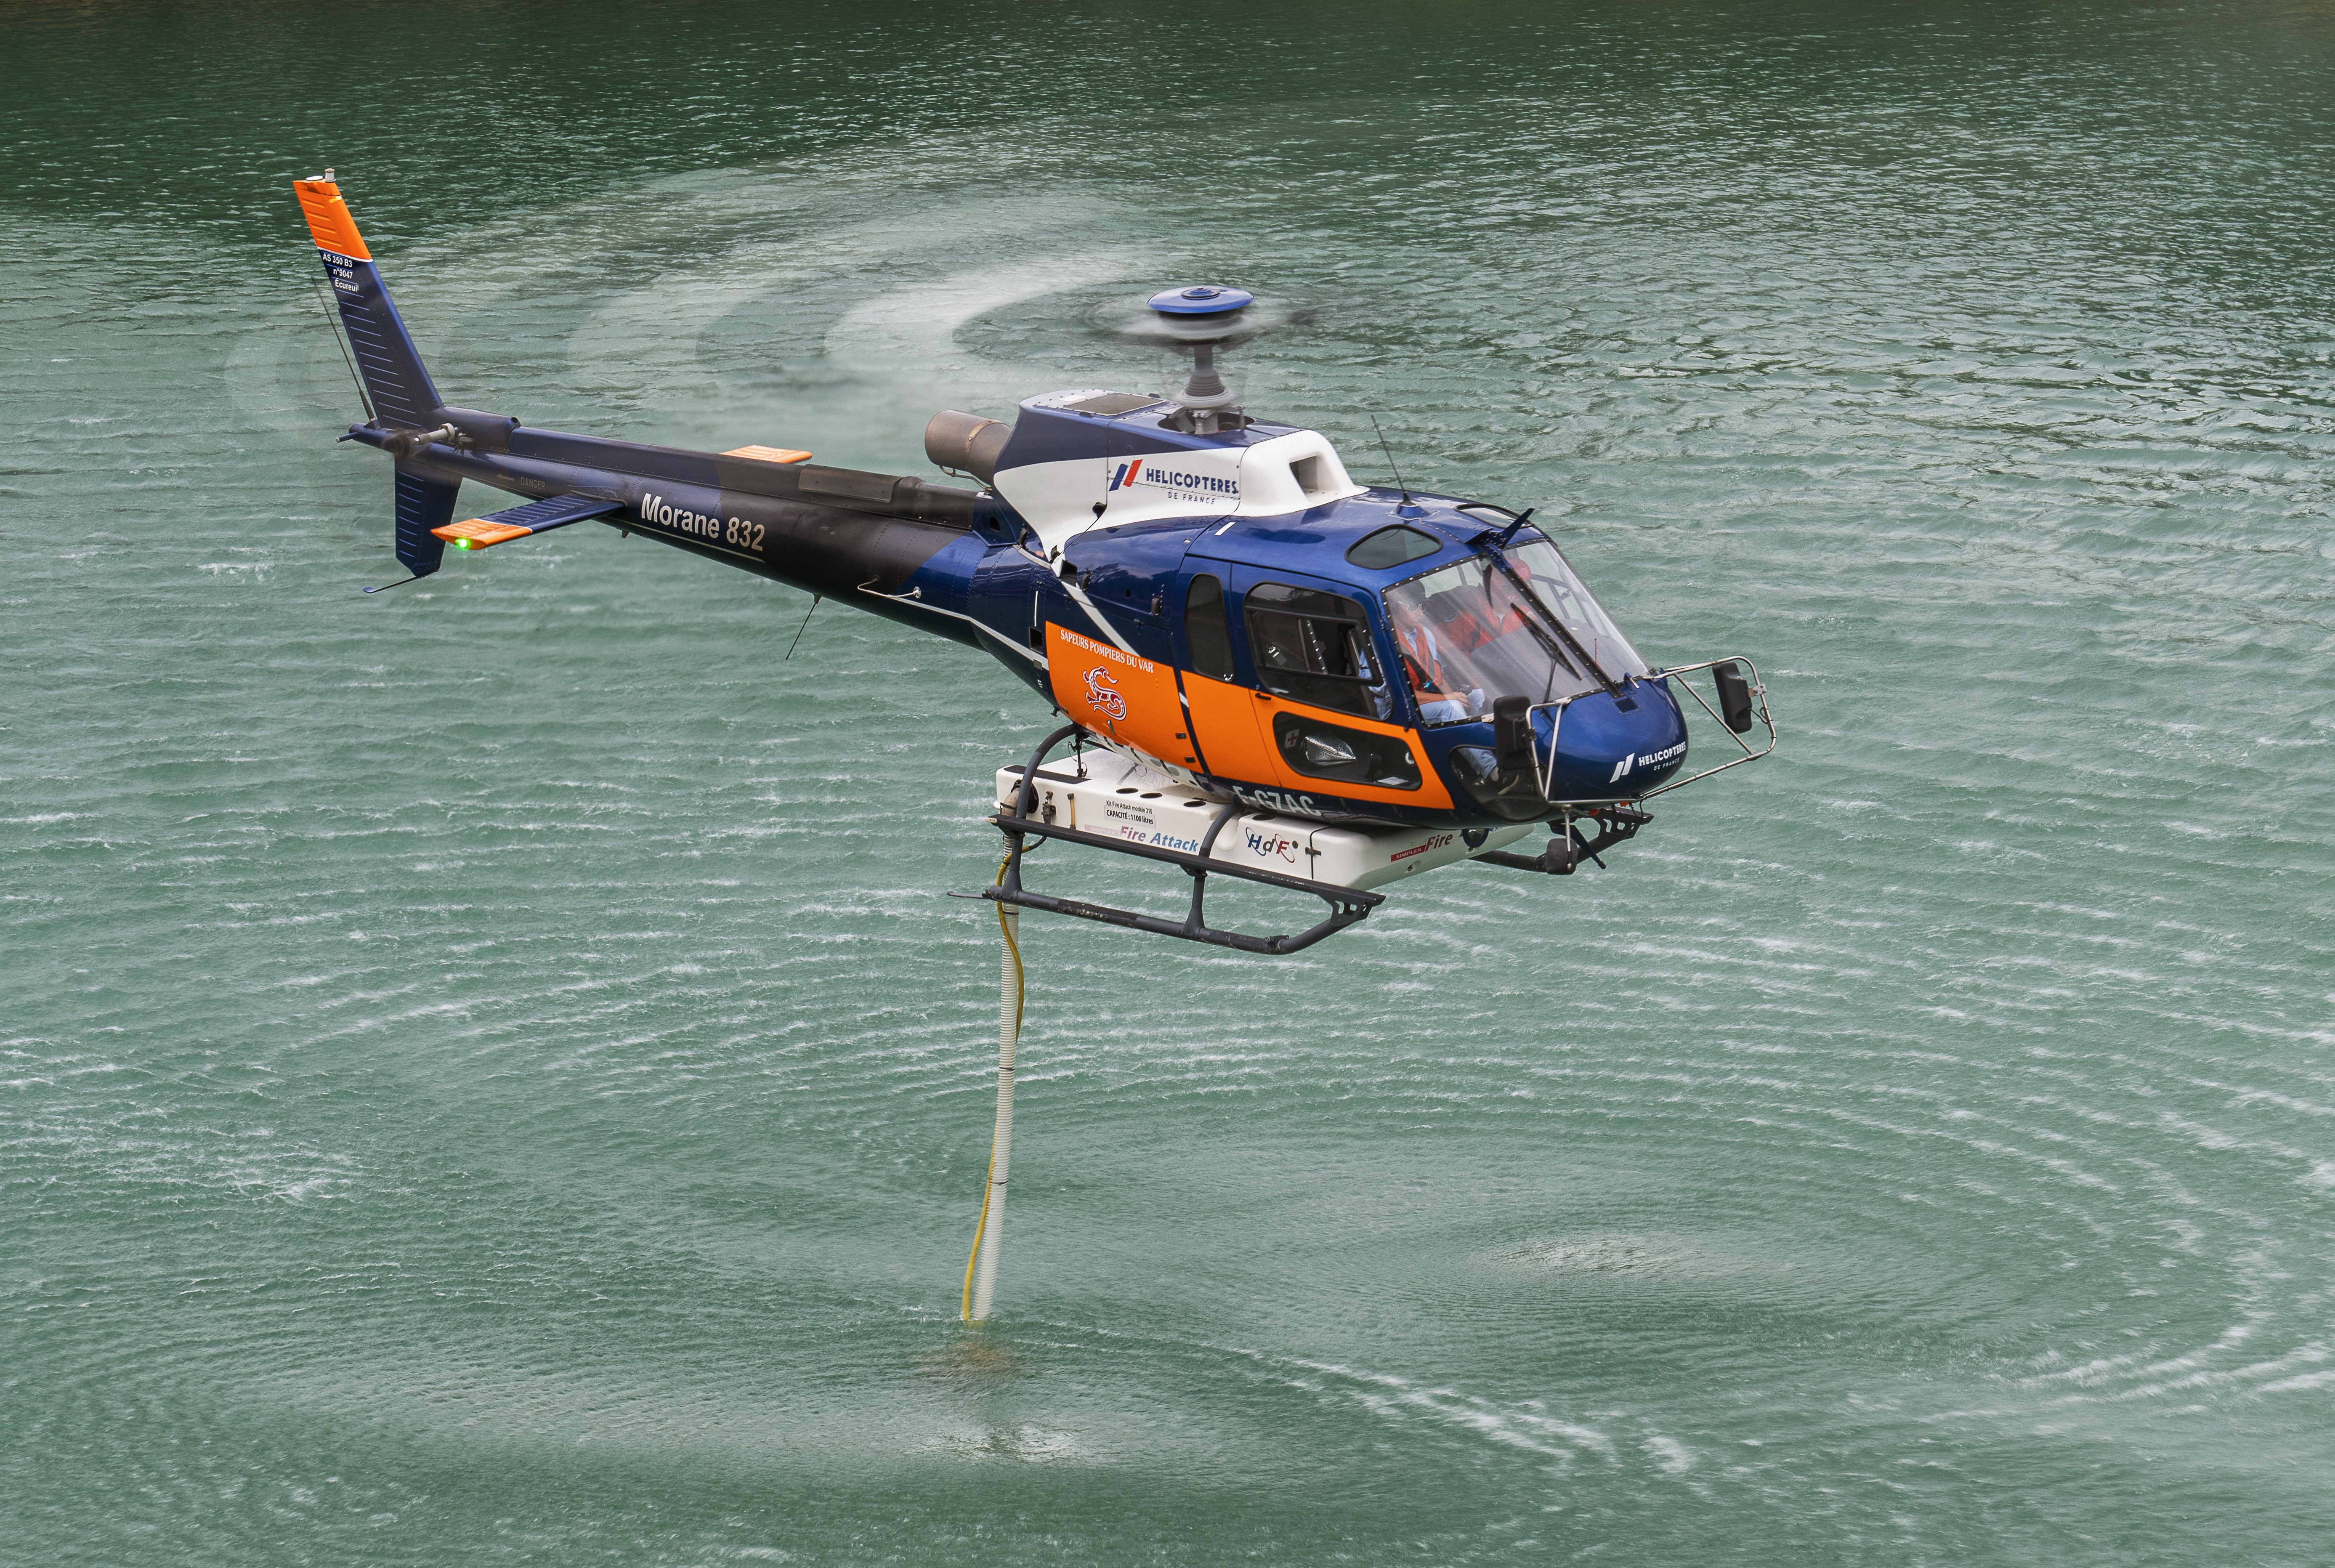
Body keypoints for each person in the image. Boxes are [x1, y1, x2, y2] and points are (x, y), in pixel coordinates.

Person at [1387, 595, 1486, 724]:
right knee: (1452, 708)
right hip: (1401, 711)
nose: (1420, 613)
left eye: (1422, 607)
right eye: (1412, 608)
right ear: (1394, 609)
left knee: (1479, 695)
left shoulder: (1425, 633)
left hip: (1431, 698)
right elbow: (1399, 696)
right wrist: (1448, 699)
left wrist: (1455, 697)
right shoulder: (1386, 642)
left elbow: (1438, 678)